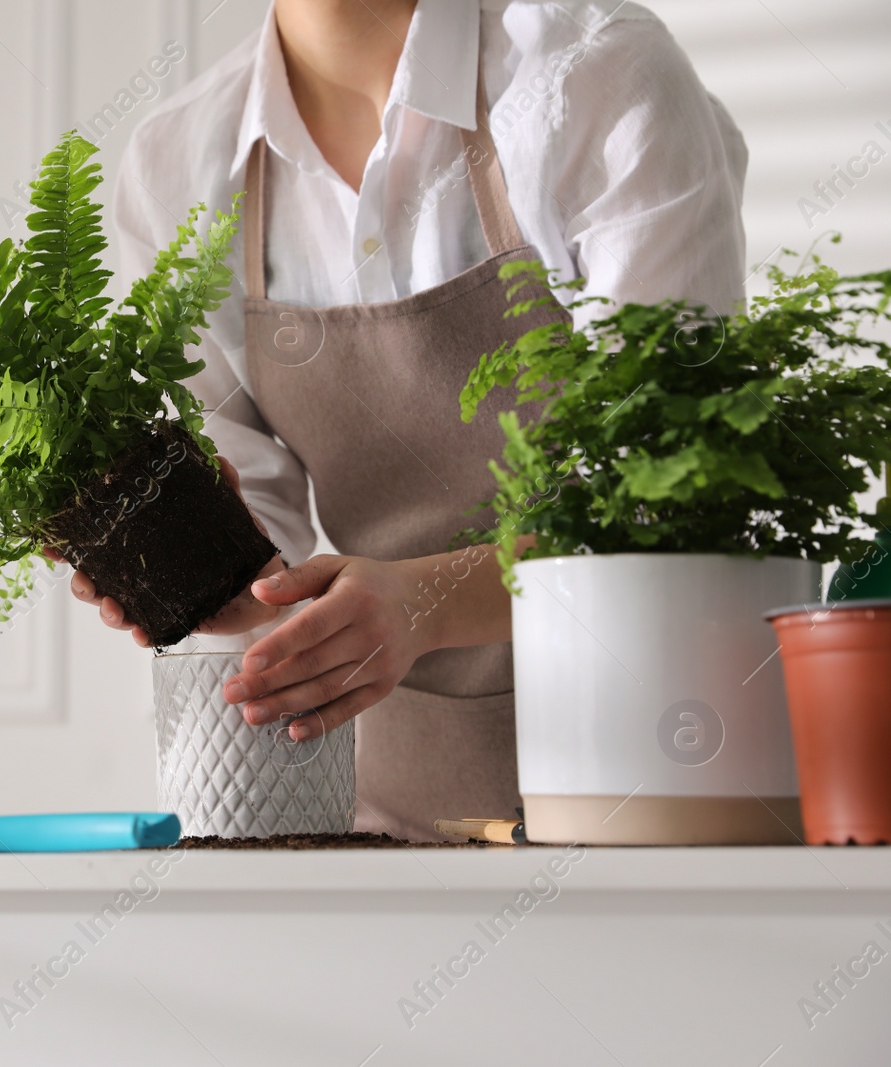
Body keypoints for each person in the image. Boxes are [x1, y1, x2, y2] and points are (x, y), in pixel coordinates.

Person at [69, 0, 748, 839]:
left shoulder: (592, 77)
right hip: (387, 830)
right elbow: (262, 576)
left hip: (659, 783)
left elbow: (674, 499)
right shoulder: (176, 169)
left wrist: (419, 603)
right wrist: (204, 578)